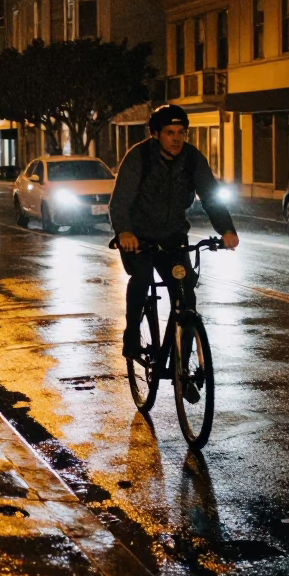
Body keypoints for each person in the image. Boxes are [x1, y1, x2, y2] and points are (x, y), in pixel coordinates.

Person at [109, 104, 239, 385]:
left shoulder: (192, 159)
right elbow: (120, 201)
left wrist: (226, 229)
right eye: (170, 132)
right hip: (139, 240)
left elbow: (211, 196)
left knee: (185, 295)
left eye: (182, 132)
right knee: (141, 278)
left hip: (173, 239)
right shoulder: (139, 157)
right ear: (156, 134)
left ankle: (183, 370)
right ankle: (132, 336)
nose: (177, 138)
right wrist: (124, 232)